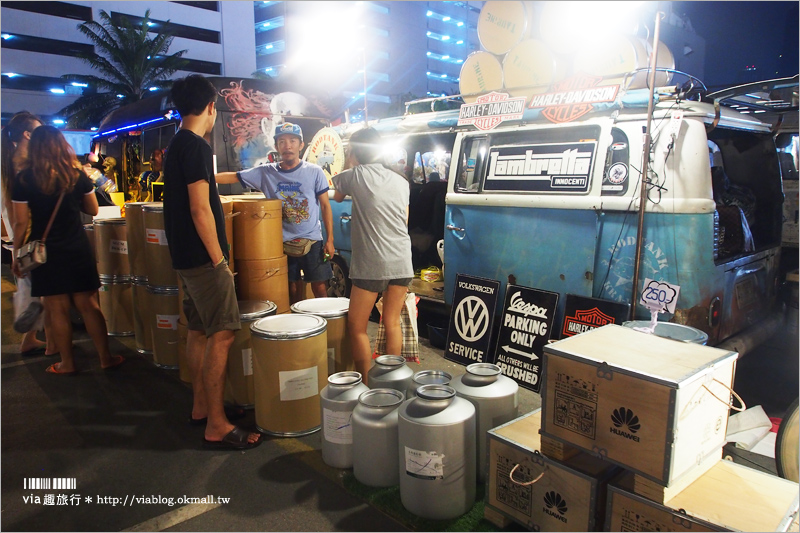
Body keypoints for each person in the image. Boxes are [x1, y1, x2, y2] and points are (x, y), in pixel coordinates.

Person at [163, 74, 260, 450]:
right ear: (210, 107)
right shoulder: (197, 148)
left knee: (199, 330)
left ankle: (202, 407)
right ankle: (216, 425)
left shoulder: (176, 145)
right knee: (222, 333)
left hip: (184, 257)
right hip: (204, 260)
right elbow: (200, 208)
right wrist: (220, 260)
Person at [11, 126, 124, 374]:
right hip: (76, 246)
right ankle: (105, 358)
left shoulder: (24, 179)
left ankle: (67, 363)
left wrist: (16, 254)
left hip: (46, 252)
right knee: (89, 305)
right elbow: (93, 210)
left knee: (57, 308)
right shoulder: (76, 176)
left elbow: (20, 223)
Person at [216, 122, 335, 304]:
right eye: (282, 141)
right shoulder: (265, 172)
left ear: (301, 145)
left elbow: (326, 206)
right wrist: (203, 177)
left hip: (312, 239)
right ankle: (296, 326)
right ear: (276, 146)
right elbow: (234, 176)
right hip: (280, 241)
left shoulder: (315, 172)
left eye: (293, 141)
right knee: (291, 287)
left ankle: (325, 327)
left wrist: (330, 240)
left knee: (319, 287)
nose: (288, 146)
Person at [331, 127, 413, 384]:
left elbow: (337, 195)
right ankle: (394, 382)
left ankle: (366, 385)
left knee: (357, 327)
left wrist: (349, 159)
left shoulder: (354, 175)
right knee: (391, 321)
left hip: (371, 263)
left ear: (355, 150)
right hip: (402, 259)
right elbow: (404, 220)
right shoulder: (401, 180)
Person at [1, 111, 58, 357]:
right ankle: (54, 346)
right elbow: (17, 213)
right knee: (49, 292)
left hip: (22, 236)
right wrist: (18, 250)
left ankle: (31, 339)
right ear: (27, 134)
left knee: (40, 291)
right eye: (38, 130)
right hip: (31, 236)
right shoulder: (23, 166)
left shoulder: (8, 161)